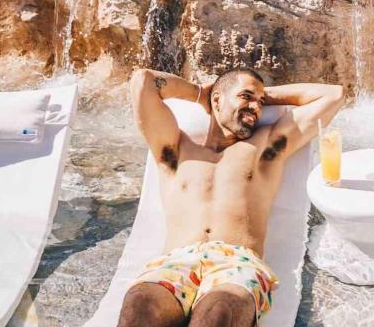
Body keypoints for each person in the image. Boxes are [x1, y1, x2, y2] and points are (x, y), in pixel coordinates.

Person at [118, 66, 343, 327]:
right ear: (217, 100)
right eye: (246, 96)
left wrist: (262, 95)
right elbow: (143, 81)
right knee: (139, 304)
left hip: (236, 264)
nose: (256, 108)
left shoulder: (266, 147)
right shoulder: (174, 148)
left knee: (218, 313)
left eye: (260, 103)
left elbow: (333, 95)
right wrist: (200, 93)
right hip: (176, 262)